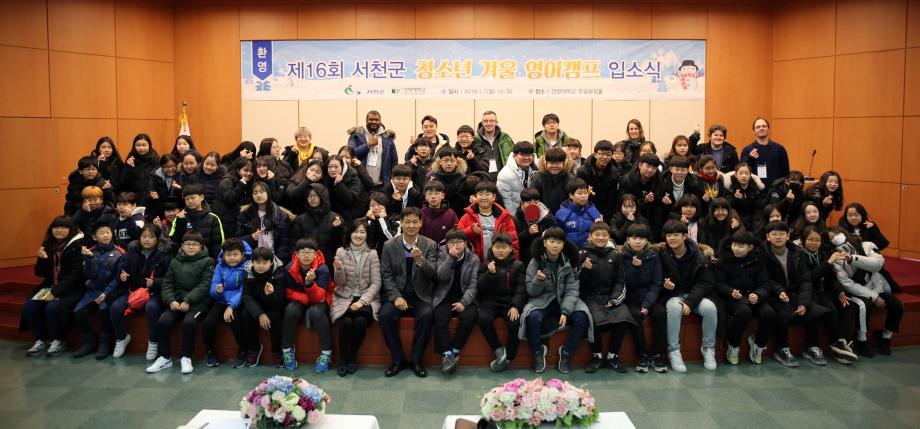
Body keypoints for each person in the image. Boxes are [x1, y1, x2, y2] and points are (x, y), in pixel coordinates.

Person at [520, 228, 591, 374]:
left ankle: (566, 352)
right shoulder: (535, 262)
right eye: (551, 241)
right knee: (531, 317)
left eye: (559, 242)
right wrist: (538, 280)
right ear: (544, 243)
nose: (555, 245)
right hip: (542, 299)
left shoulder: (569, 262)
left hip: (564, 298)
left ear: (563, 244)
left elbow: (572, 290)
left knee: (582, 317)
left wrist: (565, 312)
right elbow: (531, 291)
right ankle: (538, 352)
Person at [378, 207, 438, 377]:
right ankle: (397, 360)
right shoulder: (389, 245)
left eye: (415, 222)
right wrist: (396, 296)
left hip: (421, 294)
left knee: (427, 315)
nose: (411, 226)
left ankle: (416, 360)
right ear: (401, 224)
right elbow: (386, 274)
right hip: (398, 293)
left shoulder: (430, 244)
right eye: (407, 222)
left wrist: (420, 260)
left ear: (421, 223)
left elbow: (433, 273)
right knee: (385, 316)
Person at [654, 220, 718, 372]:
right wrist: (665, 287)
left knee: (710, 308)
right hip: (673, 295)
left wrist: (690, 302)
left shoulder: (698, 255)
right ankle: (674, 351)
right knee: (674, 308)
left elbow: (705, 283)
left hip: (694, 296)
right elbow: (654, 280)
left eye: (675, 235)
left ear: (684, 236)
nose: (671, 238)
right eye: (668, 235)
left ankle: (708, 349)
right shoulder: (660, 254)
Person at [146, 231, 214, 374]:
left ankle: (186, 357)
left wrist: (189, 300)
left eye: (195, 244)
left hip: (198, 303)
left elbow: (205, 285)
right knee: (163, 320)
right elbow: (167, 283)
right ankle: (164, 357)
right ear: (182, 246)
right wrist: (170, 300)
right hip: (177, 301)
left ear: (201, 247)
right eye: (188, 244)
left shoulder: (207, 261)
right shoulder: (175, 261)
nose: (191, 247)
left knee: (189, 322)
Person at [829, 226, 903, 356]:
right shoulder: (836, 257)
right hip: (857, 292)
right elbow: (847, 284)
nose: (835, 238)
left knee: (897, 306)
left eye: (837, 234)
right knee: (864, 306)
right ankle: (861, 340)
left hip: (875, 287)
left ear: (845, 233)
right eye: (831, 238)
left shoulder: (867, 245)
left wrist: (852, 259)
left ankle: (885, 338)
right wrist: (873, 296)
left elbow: (877, 264)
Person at [21, 217, 85, 358]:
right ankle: (42, 339)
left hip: (72, 288)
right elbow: (40, 273)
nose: (59, 230)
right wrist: (41, 259)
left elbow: (75, 275)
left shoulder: (78, 245)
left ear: (71, 229)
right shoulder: (48, 244)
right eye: (56, 227)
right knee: (29, 307)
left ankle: (59, 340)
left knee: (53, 308)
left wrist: (55, 292)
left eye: (63, 227)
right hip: (50, 286)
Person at [797, 226, 858, 364]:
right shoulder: (799, 255)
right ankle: (834, 345)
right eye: (810, 240)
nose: (814, 243)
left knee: (847, 305)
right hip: (808, 291)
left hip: (824, 290)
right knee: (830, 309)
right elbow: (810, 278)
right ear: (803, 240)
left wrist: (839, 292)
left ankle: (844, 341)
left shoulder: (823, 253)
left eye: (817, 240)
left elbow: (832, 278)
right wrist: (829, 262)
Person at [714, 230, 777, 366]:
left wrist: (758, 294)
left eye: (741, 246)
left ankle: (758, 345)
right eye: (734, 244)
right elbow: (718, 284)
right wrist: (730, 292)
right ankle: (733, 345)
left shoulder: (758, 261)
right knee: (744, 312)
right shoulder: (724, 260)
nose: (736, 248)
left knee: (769, 313)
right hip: (732, 299)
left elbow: (765, 284)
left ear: (750, 247)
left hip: (753, 297)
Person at [113, 223, 174, 361]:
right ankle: (121, 338)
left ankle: (153, 341)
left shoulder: (164, 255)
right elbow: (121, 272)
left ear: (157, 239)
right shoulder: (131, 253)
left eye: (151, 237)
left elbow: (171, 278)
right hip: (134, 292)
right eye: (144, 236)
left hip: (154, 293)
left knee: (152, 307)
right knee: (116, 307)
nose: (146, 240)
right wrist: (123, 277)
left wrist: (156, 282)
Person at [577, 223, 632, 373]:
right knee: (593, 318)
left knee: (623, 316)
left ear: (609, 237)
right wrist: (585, 270)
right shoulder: (581, 254)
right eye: (597, 234)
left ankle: (613, 356)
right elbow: (576, 282)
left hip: (610, 296)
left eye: (604, 235)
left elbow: (620, 281)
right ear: (590, 236)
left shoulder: (616, 255)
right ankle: (596, 356)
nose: (600, 238)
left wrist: (614, 300)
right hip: (589, 297)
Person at [331, 220, 381, 376]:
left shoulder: (372, 254)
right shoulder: (341, 252)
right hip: (344, 296)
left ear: (367, 235)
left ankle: (352, 356)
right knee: (346, 322)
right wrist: (339, 269)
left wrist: (361, 302)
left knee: (360, 322)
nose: (358, 235)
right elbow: (339, 283)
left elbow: (376, 283)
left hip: (366, 298)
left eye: (362, 232)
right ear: (350, 234)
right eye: (355, 231)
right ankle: (343, 359)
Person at [72, 222, 126, 359]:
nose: (106, 235)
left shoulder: (119, 252)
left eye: (108, 232)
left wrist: (106, 293)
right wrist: (90, 258)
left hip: (111, 291)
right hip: (93, 290)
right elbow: (89, 275)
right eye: (102, 233)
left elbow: (117, 279)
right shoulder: (90, 251)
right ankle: (89, 343)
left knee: (104, 311)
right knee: (78, 312)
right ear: (94, 237)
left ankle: (104, 344)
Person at [617, 224, 664, 373]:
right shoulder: (621, 255)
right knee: (635, 315)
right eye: (634, 238)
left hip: (650, 296)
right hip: (630, 297)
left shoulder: (653, 255)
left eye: (642, 238)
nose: (638, 241)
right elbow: (625, 283)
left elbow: (656, 282)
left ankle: (656, 354)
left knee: (661, 313)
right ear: (628, 239)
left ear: (647, 240)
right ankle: (642, 354)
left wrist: (648, 304)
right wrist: (635, 268)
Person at [476, 232, 526, 372]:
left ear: (510, 248)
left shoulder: (518, 265)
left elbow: (521, 288)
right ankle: (498, 350)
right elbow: (480, 287)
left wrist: (515, 306)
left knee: (515, 322)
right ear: (492, 248)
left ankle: (509, 356)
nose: (500, 250)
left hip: (509, 303)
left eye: (504, 247)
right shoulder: (485, 265)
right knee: (483, 319)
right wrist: (489, 274)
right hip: (490, 302)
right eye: (497, 247)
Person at [281, 238, 334, 372]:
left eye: (310, 252)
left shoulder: (322, 268)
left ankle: (326, 352)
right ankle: (286, 350)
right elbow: (288, 292)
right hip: (301, 298)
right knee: (291, 310)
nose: (306, 255)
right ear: (297, 254)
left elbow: (320, 297)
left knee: (316, 312)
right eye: (303, 252)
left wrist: (310, 284)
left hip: (321, 298)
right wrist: (305, 298)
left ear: (315, 254)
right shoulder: (289, 268)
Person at [434, 229, 481, 375]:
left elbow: (474, 284)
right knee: (439, 317)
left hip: (465, 297)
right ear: (447, 244)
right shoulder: (441, 255)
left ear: (465, 243)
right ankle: (447, 353)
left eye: (459, 242)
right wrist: (451, 258)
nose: (455, 245)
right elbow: (441, 276)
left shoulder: (473, 259)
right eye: (451, 242)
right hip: (445, 296)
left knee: (470, 316)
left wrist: (464, 302)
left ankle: (454, 350)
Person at [202, 239, 252, 368]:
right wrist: (217, 291)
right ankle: (210, 351)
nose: (232, 258)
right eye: (228, 255)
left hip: (237, 301)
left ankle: (243, 350)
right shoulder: (219, 266)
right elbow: (214, 286)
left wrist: (231, 306)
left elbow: (243, 290)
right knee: (208, 322)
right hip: (221, 300)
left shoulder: (248, 266)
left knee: (234, 319)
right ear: (223, 255)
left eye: (235, 254)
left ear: (242, 254)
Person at [242, 246, 287, 368]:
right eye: (257, 262)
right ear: (252, 262)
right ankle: (253, 348)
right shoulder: (247, 273)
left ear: (271, 262)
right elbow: (246, 297)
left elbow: (280, 302)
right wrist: (260, 313)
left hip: (273, 306)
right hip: (257, 307)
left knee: (275, 316)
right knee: (246, 314)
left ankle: (277, 350)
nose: (261, 266)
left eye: (264, 262)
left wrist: (270, 295)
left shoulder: (279, 273)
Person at [457, 181, 520, 261]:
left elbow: (513, 243)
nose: (484, 198)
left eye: (487, 194)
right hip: (474, 262)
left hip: (500, 262)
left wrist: (514, 263)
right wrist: (471, 230)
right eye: (480, 194)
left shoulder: (505, 218)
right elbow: (457, 238)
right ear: (476, 196)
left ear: (494, 197)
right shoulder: (467, 217)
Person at [236, 181, 294, 265]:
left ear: (268, 193)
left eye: (261, 191)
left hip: (274, 258)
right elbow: (238, 239)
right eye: (255, 193)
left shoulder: (280, 214)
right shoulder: (246, 214)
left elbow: (285, 241)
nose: (258, 195)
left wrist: (279, 262)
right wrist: (251, 238)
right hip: (253, 260)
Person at [291, 183, 344, 264]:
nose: (312, 198)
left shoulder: (335, 218)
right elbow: (294, 243)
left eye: (315, 195)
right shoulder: (300, 219)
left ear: (322, 196)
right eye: (309, 196)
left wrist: (338, 229)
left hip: (327, 262)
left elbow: (340, 243)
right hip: (306, 263)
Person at [169, 183, 225, 259]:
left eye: (193, 198)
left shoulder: (213, 218)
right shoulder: (180, 217)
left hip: (207, 261)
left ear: (202, 197)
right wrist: (180, 222)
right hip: (183, 260)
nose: (190, 201)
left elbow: (218, 244)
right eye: (187, 199)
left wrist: (213, 262)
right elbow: (173, 241)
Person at [347, 110, 398, 190]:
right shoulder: (356, 136)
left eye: (376, 120)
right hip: (361, 185)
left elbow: (394, 161)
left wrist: (392, 180)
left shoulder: (387, 138)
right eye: (371, 119)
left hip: (383, 186)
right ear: (366, 120)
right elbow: (350, 154)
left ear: (380, 121)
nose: (374, 122)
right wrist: (369, 145)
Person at [740, 117, 789, 192]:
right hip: (754, 191)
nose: (761, 128)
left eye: (764, 126)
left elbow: (786, 173)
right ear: (753, 131)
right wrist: (750, 158)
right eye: (758, 127)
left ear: (768, 129)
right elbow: (741, 172)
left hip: (775, 191)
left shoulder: (779, 149)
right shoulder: (747, 150)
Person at [619, 154, 662, 237]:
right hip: (630, 215)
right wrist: (644, 201)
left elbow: (658, 205)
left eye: (654, 167)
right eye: (648, 166)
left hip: (651, 215)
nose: (650, 170)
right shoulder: (627, 180)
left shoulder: (659, 180)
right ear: (640, 165)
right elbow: (624, 203)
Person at [576, 140, 621, 218]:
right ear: (595, 154)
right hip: (586, 208)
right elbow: (578, 192)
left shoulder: (615, 173)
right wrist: (587, 194)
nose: (605, 157)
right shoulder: (583, 171)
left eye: (608, 154)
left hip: (605, 210)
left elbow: (612, 197)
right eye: (602, 154)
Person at [656, 155, 704, 227]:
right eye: (676, 169)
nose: (679, 172)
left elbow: (697, 205)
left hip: (690, 220)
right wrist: (663, 202)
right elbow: (657, 208)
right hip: (667, 220)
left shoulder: (695, 182)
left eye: (683, 170)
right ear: (671, 169)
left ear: (688, 170)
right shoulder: (661, 181)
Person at [554, 178, 602, 248]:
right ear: (571, 195)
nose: (583, 196)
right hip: (569, 251)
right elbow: (556, 236)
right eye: (579, 193)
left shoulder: (594, 212)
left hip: (589, 251)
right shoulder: (561, 214)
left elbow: (600, 233)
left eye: (585, 193)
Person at [212, 158, 254, 233]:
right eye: (245, 170)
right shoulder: (227, 181)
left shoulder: (249, 183)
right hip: (225, 223)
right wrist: (241, 185)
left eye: (251, 171)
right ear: (238, 170)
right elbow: (230, 199)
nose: (249, 173)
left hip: (238, 221)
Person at [514, 188, 555, 263]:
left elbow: (554, 236)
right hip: (525, 258)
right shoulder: (516, 219)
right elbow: (515, 239)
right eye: (529, 203)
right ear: (522, 204)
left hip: (543, 256)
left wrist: (547, 234)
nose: (533, 205)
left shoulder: (548, 217)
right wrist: (528, 232)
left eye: (536, 202)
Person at [496, 141, 537, 217]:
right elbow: (507, 201)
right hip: (516, 215)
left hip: (534, 213)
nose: (527, 158)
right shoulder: (505, 174)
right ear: (514, 155)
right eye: (523, 155)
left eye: (529, 155)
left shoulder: (536, 170)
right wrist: (515, 219)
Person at [528, 147, 575, 214]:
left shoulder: (570, 179)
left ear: (564, 163)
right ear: (545, 163)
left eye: (558, 163)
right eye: (551, 163)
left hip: (565, 216)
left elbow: (573, 201)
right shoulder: (537, 178)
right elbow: (532, 199)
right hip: (543, 216)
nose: (554, 166)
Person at [428, 146, 468, 216]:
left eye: (452, 161)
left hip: (457, 214)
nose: (449, 163)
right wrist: (429, 185)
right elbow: (425, 197)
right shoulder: (431, 176)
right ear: (440, 162)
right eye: (445, 160)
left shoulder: (462, 178)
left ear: (456, 163)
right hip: (436, 213)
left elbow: (465, 201)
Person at [723, 162, 765, 230]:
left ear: (750, 175)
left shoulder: (755, 187)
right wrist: (735, 198)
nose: (744, 176)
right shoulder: (730, 187)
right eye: (741, 173)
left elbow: (758, 206)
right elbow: (727, 206)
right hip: (736, 216)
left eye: (747, 173)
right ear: (735, 175)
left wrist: (743, 199)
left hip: (752, 216)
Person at [420, 180, 459, 244]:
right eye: (430, 193)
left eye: (437, 193)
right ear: (425, 196)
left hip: (445, 248)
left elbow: (456, 235)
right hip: (425, 248)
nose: (433, 196)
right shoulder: (420, 214)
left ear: (443, 195)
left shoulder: (451, 214)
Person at [148, 154, 182, 218]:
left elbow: (185, 195)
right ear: (161, 167)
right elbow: (148, 194)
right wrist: (152, 196)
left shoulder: (180, 175)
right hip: (160, 213)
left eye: (172, 166)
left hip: (177, 212)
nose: (170, 169)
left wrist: (179, 189)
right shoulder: (155, 176)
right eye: (167, 167)